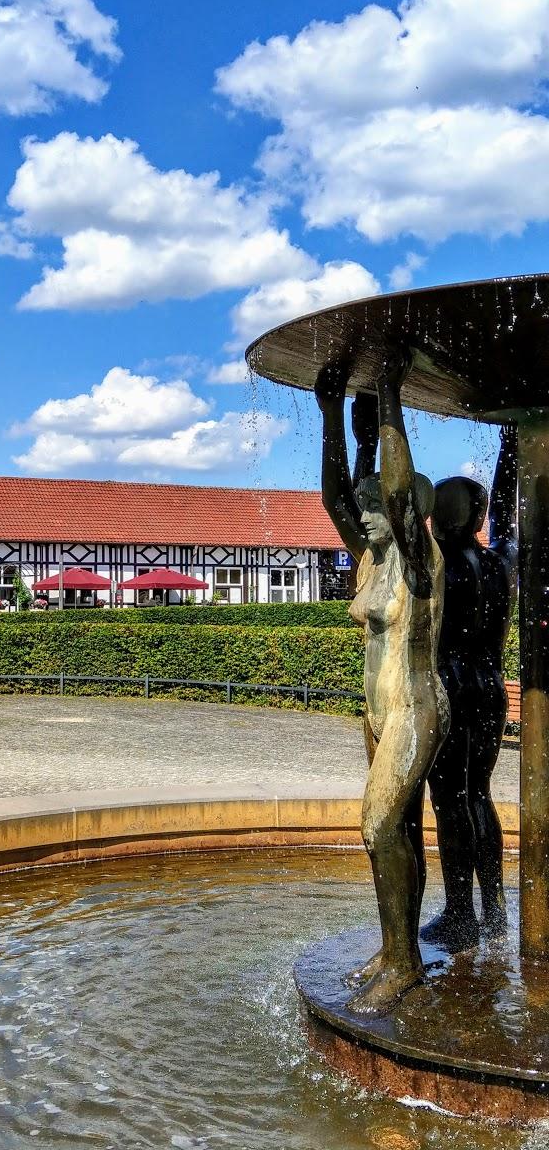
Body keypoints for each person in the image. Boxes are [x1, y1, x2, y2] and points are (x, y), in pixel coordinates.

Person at [315, 350, 449, 1015]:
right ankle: (398, 948)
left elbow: (391, 492)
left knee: (375, 826)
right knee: (396, 834)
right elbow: (335, 495)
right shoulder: (371, 558)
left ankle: (402, 965)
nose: (364, 510)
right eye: (365, 504)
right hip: (377, 711)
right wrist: (331, 418)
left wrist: (390, 395)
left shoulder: (420, 557)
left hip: (416, 708)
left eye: (378, 504)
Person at [422, 428, 517, 948]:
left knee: (450, 799)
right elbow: (507, 517)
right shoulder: (501, 563)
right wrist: (508, 451)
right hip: (491, 690)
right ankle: (495, 909)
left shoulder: (439, 563)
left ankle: (460, 912)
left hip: (451, 689)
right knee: (479, 794)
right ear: (478, 518)